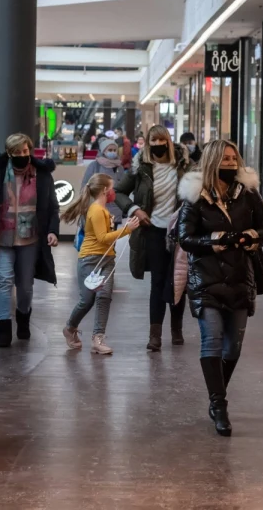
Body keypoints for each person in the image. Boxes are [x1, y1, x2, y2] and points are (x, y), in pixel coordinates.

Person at [175, 140, 263, 436]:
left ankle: (216, 393)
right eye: (225, 158)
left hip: (241, 279)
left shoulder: (248, 193)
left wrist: (250, 236)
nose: (231, 163)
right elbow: (184, 237)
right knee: (212, 340)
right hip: (206, 280)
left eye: (234, 158)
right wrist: (216, 240)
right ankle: (219, 405)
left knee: (233, 346)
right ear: (213, 160)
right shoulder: (195, 196)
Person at [0, 132, 60, 348]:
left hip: (31, 238)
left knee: (25, 285)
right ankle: (3, 329)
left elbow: (52, 207)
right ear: (9, 153)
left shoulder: (42, 174)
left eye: (25, 150)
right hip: (3, 236)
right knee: (2, 282)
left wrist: (52, 231)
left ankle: (23, 318)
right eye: (17, 152)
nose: (23, 155)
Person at [114, 124, 191, 350]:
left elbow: (199, 188)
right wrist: (134, 209)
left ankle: (176, 330)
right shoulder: (141, 168)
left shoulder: (183, 166)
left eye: (161, 141)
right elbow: (118, 192)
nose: (157, 146)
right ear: (148, 145)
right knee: (157, 282)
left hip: (179, 231)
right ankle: (155, 335)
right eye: (153, 142)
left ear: (169, 141)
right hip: (154, 231)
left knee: (178, 281)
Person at [60, 174, 141, 354]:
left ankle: (98, 338)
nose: (114, 192)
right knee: (87, 300)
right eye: (112, 188)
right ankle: (70, 328)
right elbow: (102, 238)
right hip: (90, 259)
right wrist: (127, 230)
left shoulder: (104, 210)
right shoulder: (96, 210)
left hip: (107, 259)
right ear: (105, 190)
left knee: (104, 298)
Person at [82, 137, 127, 220]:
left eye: (114, 150)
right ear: (103, 151)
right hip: (97, 206)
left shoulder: (119, 167)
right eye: (110, 150)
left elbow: (124, 188)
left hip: (115, 209)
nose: (113, 152)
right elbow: (85, 185)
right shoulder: (94, 165)